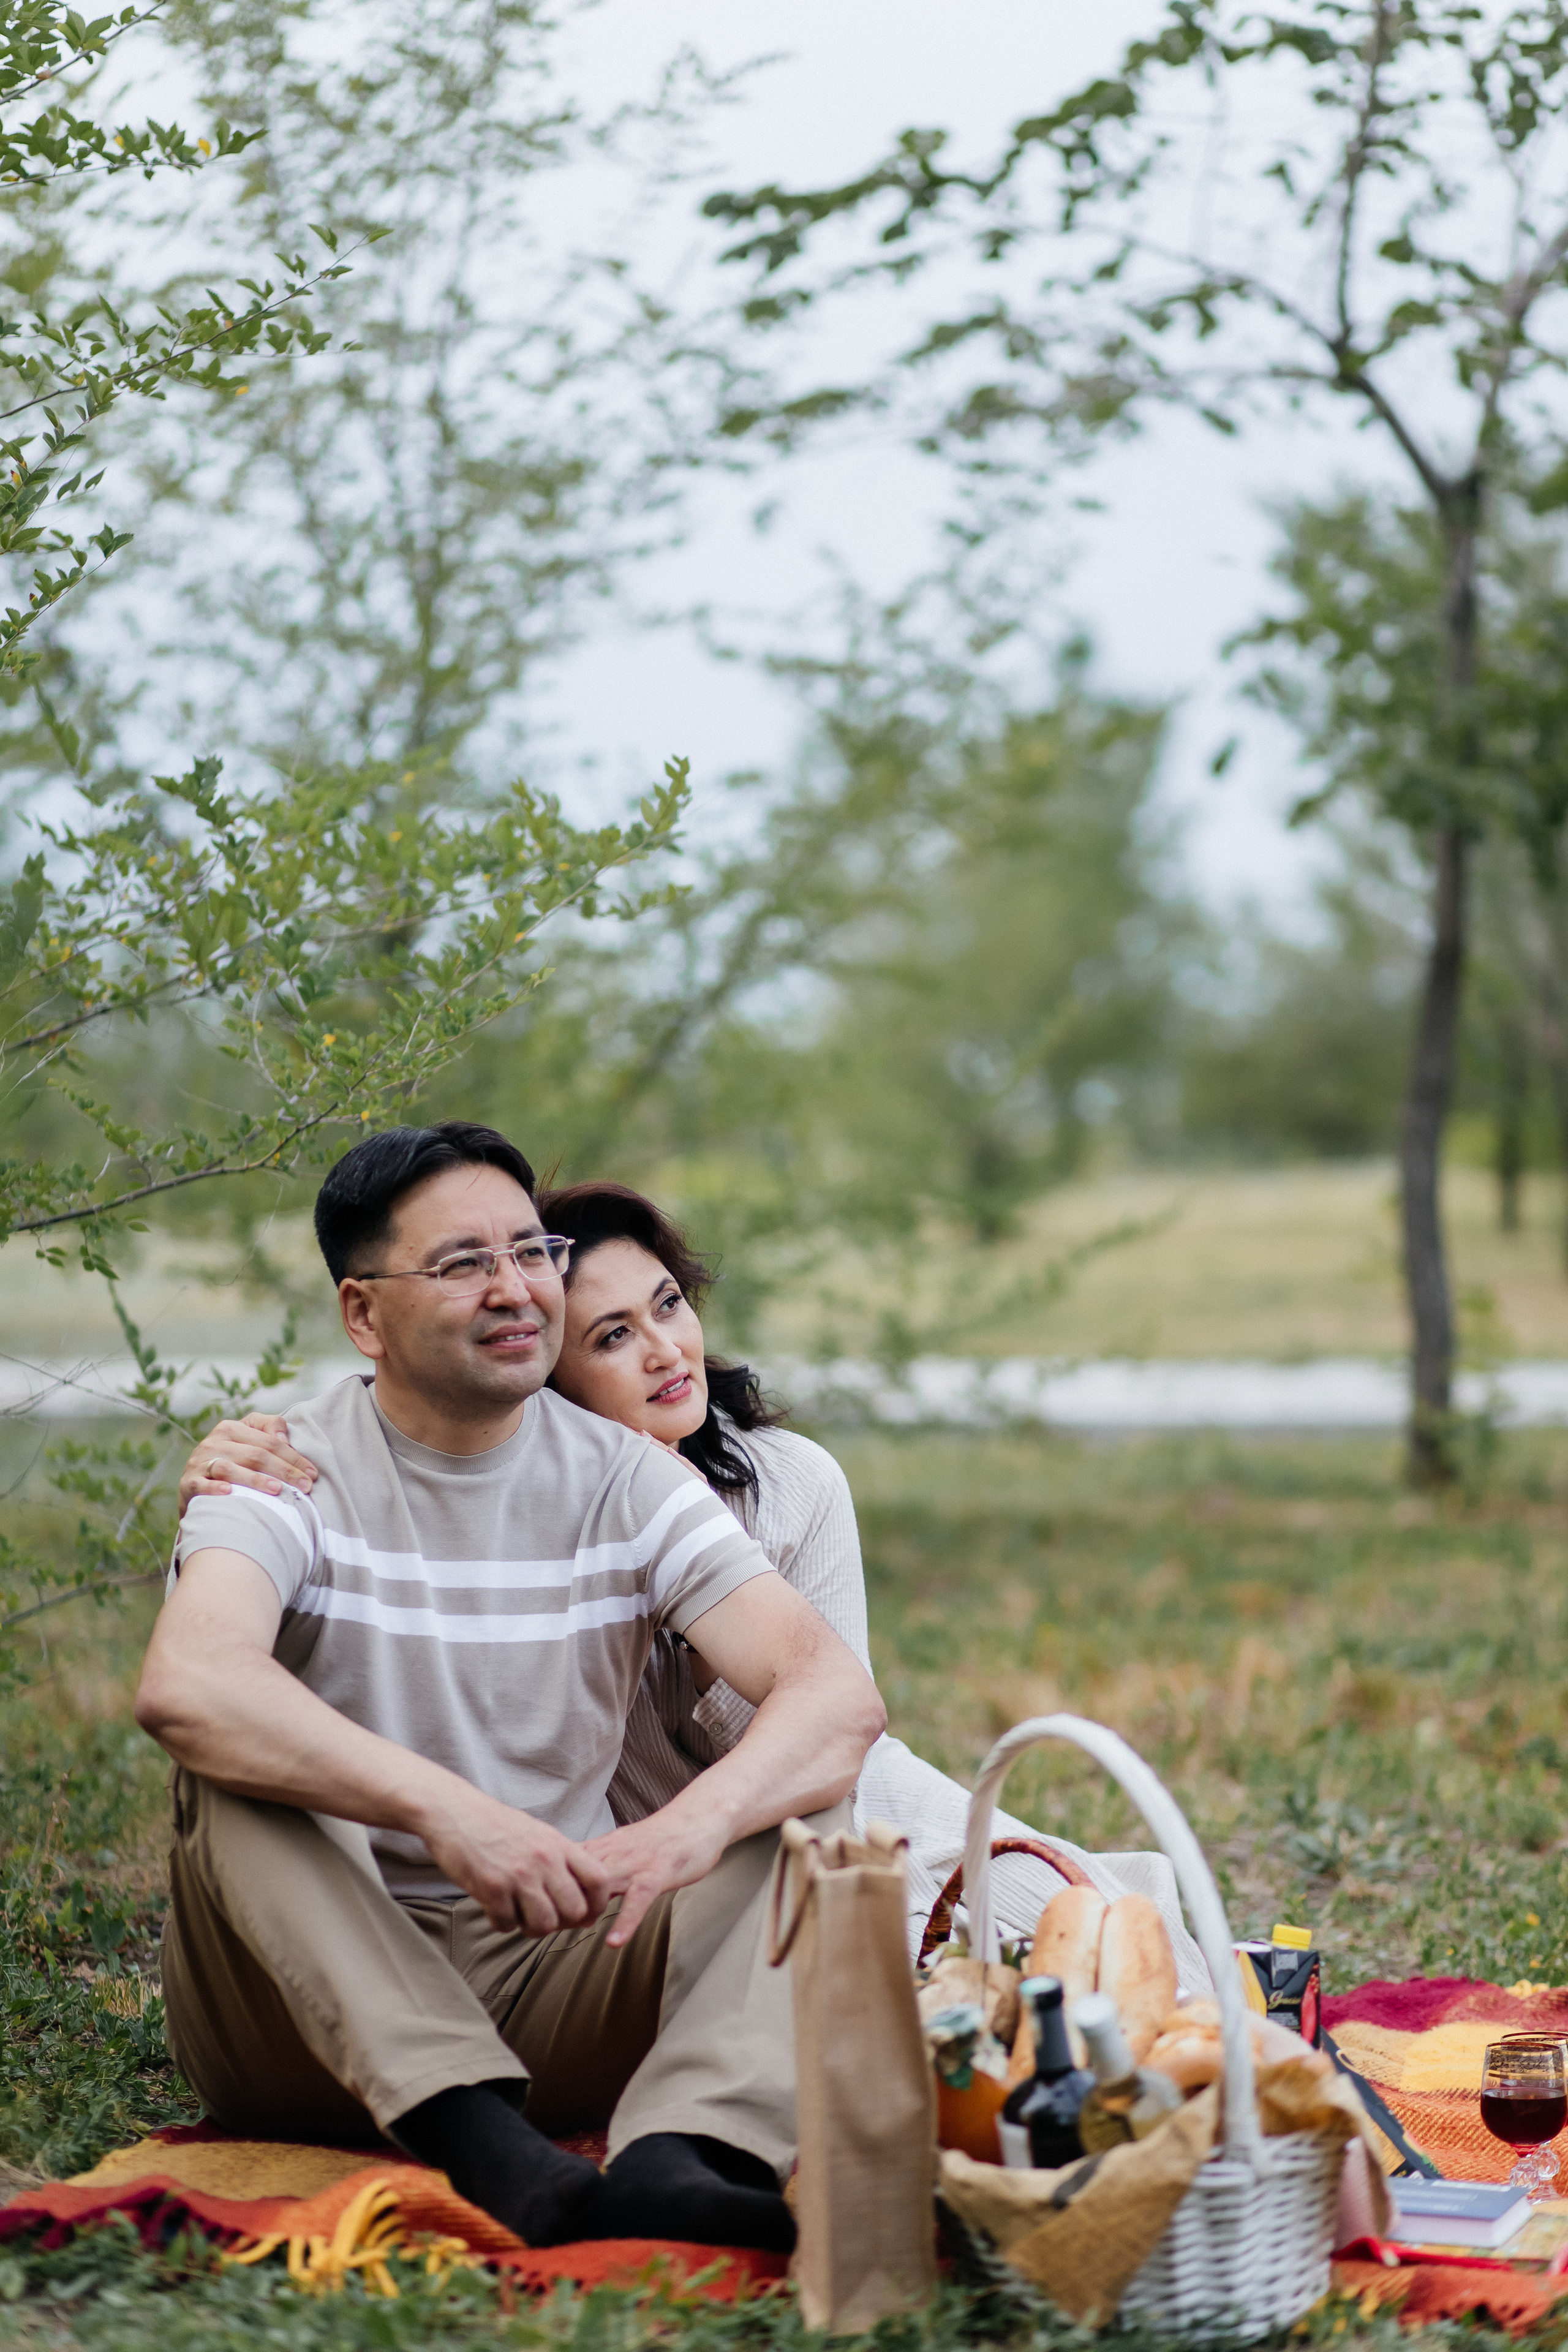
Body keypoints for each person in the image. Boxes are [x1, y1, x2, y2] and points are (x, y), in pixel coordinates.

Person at [138, 1123, 886, 2255]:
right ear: (362, 1314)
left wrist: (691, 1828)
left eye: (531, 1253)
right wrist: (449, 1812)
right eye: (460, 1264)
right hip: (295, 2016)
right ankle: (476, 2142)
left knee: (802, 1800)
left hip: (549, 1970)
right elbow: (189, 1680)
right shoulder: (281, 1468)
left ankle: (686, 2157)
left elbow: (834, 1697)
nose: (514, 1289)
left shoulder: (630, 1481)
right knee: (233, 1760)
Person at [182, 1177, 1207, 1992]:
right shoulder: (536, 1509)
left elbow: (828, 1734)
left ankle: (1130, 1915)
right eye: (613, 1336)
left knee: (1069, 1949)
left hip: (821, 1816)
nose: (667, 1349)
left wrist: (694, 1539)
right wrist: (231, 1456)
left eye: (668, 1305)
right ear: (544, 1372)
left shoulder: (794, 1482)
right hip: (653, 1878)